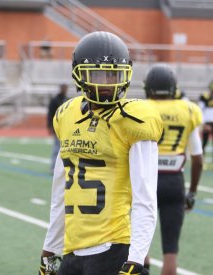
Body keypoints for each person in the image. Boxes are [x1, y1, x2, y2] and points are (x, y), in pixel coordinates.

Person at [39, 31, 162, 275]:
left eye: (113, 74)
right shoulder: (67, 114)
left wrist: (136, 259)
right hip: (73, 251)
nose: (106, 83)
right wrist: (50, 248)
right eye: (97, 74)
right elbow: (60, 191)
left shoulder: (133, 120)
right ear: (79, 75)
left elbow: (145, 199)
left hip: (112, 248)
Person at [143, 64, 203, 275]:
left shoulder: (141, 108)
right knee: (170, 251)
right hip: (174, 182)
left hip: (145, 182)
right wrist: (192, 191)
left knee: (140, 246)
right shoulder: (187, 109)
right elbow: (197, 158)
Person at [47, 84, 68, 173]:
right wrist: (50, 126)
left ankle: (63, 168)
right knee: (56, 148)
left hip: (66, 127)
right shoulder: (55, 100)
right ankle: (53, 167)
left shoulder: (67, 100)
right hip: (57, 127)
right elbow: (50, 114)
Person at [198, 81, 213, 162]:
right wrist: (203, 124)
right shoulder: (204, 97)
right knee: (204, 143)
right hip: (207, 122)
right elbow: (200, 110)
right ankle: (202, 161)